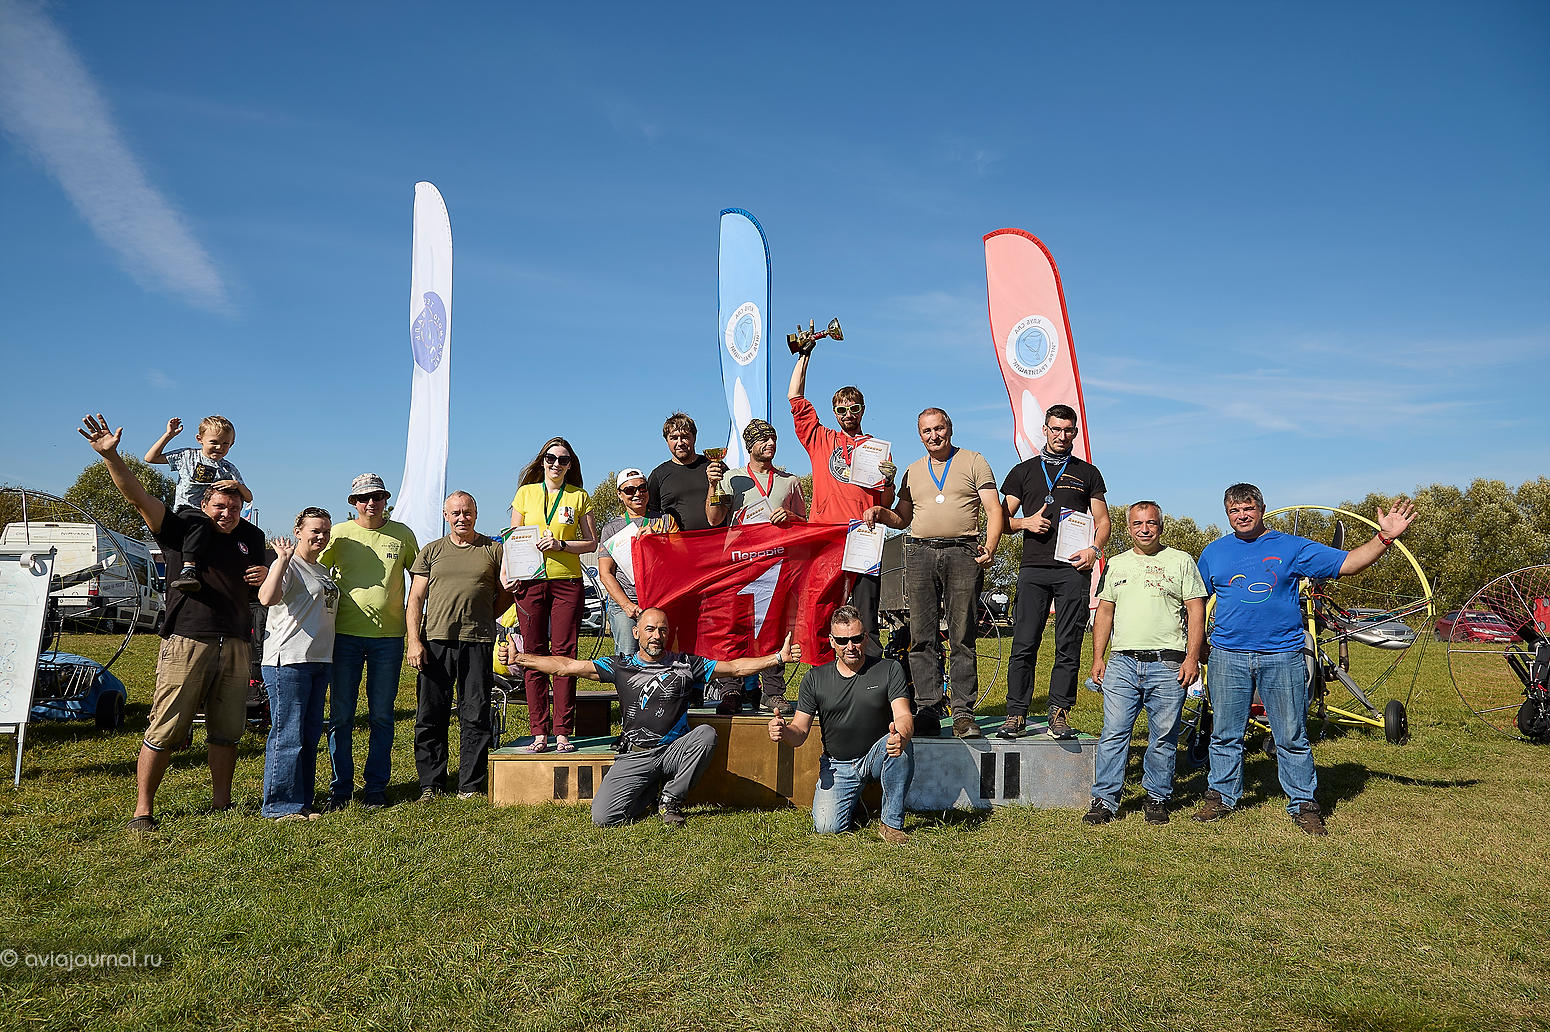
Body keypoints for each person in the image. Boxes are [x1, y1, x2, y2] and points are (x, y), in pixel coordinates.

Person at [78, 414, 268, 833]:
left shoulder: (252, 537)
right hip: (187, 639)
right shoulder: (181, 528)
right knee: (166, 727)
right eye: (220, 506)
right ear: (204, 504)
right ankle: (142, 810)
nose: (228, 513)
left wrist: (266, 573)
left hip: (237, 642)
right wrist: (111, 458)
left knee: (227, 731)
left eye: (235, 507)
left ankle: (222, 803)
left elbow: (264, 584)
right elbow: (138, 497)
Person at [1194, 484, 1417, 835]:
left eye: (1248, 509)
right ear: (1227, 514)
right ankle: (1221, 796)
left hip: (1282, 655)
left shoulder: (1292, 547)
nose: (1242, 516)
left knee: (1291, 736)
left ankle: (1303, 803)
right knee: (1224, 734)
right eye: (1234, 511)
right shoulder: (1214, 552)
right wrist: (1196, 647)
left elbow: (1348, 563)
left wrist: (1384, 538)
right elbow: (1194, 601)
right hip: (1228, 657)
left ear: (1262, 509)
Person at [502, 608, 800, 827]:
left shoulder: (686, 664)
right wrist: (521, 659)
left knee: (706, 735)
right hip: (635, 754)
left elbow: (734, 669)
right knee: (604, 818)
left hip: (673, 751)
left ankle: (671, 798)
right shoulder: (620, 666)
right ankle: (648, 792)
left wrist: (777, 658)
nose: (656, 636)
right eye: (650, 629)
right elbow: (567, 667)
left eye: (662, 630)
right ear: (636, 633)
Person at [862, 408, 1003, 739]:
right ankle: (928, 708)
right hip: (920, 553)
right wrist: (881, 511)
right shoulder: (912, 471)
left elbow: (994, 509)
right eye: (926, 431)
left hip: (963, 551)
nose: (934, 435)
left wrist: (990, 547)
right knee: (921, 636)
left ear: (949, 429)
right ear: (920, 435)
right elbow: (902, 519)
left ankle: (963, 713)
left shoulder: (974, 461)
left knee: (962, 635)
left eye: (939, 428)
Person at [1084, 501, 1205, 825]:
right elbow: (1104, 612)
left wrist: (1192, 658)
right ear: (1129, 528)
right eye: (1138, 524)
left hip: (1168, 664)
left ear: (1161, 527)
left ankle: (1157, 797)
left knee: (1163, 736)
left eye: (1151, 523)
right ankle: (1105, 800)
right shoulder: (1116, 564)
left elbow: (1196, 610)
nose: (1145, 529)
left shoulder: (1181, 561)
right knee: (1113, 733)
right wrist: (1098, 658)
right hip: (1123, 663)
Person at [998, 404, 1111, 741]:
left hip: (1072, 569)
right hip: (1033, 568)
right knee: (1024, 643)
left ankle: (1059, 712)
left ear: (1075, 432)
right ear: (1045, 430)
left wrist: (1094, 550)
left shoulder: (1088, 473)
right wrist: (1026, 523)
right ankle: (1015, 713)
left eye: (1068, 430)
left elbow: (1103, 521)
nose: (1061, 436)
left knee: (1068, 644)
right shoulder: (1023, 471)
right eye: (1055, 429)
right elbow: (1000, 520)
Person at [768, 605, 914, 843]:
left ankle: (891, 824)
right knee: (827, 827)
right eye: (843, 640)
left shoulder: (889, 669)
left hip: (878, 754)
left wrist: (901, 735)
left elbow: (904, 716)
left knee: (901, 747)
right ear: (831, 641)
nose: (850, 646)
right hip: (838, 764)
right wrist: (784, 731)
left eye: (856, 639)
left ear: (866, 638)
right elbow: (799, 732)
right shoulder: (814, 678)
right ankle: (853, 802)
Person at [317, 473, 419, 810]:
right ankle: (341, 789)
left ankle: (376, 787)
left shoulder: (403, 534)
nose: (371, 503)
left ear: (386, 499)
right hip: (343, 636)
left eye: (377, 496)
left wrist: (417, 632)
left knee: (382, 717)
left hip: (388, 639)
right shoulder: (339, 534)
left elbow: (420, 580)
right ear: (354, 503)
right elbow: (312, 569)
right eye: (363, 498)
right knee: (341, 716)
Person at [788, 350, 895, 659]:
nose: (848, 414)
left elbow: (885, 504)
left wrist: (889, 481)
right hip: (826, 537)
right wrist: (804, 357)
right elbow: (795, 397)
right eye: (841, 409)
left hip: (864, 537)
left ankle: (871, 677)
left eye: (854, 408)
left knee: (866, 614)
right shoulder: (820, 438)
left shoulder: (877, 449)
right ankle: (824, 674)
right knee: (822, 609)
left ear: (863, 410)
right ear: (834, 412)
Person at [405, 491, 509, 801]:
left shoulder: (493, 550)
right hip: (436, 641)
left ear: (475, 514)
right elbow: (416, 598)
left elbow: (507, 592)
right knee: (430, 714)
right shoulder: (432, 551)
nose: (462, 518)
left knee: (475, 712)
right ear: (446, 516)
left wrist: (486, 617)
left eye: (467, 512)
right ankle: (431, 784)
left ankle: (470, 785)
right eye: (456, 513)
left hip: (477, 641)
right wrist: (414, 640)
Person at [705, 418, 808, 717]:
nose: (770, 443)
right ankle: (731, 690)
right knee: (734, 627)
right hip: (738, 563)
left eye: (773, 438)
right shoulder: (732, 478)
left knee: (772, 627)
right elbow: (714, 518)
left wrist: (790, 516)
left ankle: (773, 692)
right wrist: (712, 484)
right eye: (763, 439)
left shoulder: (790, 481)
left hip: (775, 564)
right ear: (750, 445)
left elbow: (805, 523)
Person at [508, 438, 598, 754]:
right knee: (532, 653)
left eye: (563, 459)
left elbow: (591, 542)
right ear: (542, 460)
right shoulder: (525, 493)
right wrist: (509, 573)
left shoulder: (579, 496)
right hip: (530, 582)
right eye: (551, 458)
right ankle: (538, 732)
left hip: (566, 582)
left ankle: (562, 731)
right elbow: (513, 538)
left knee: (564, 654)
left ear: (570, 464)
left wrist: (561, 545)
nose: (556, 464)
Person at [258, 508, 339, 821]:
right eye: (315, 530)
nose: (321, 536)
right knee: (288, 734)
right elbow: (267, 597)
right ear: (298, 532)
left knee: (308, 734)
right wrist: (281, 560)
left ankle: (302, 802)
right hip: (288, 661)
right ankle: (279, 806)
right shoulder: (289, 564)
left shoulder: (322, 570)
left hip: (318, 660)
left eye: (325, 531)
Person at [143, 414, 245, 594]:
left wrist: (236, 485)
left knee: (247, 531)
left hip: (213, 515)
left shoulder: (228, 468)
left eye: (225, 444)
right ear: (200, 439)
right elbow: (150, 458)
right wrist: (169, 435)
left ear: (232, 444)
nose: (219, 447)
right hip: (187, 510)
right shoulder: (187, 456)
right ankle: (188, 568)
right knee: (200, 522)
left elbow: (248, 497)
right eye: (214, 442)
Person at [595, 467, 675, 659]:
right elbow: (605, 573)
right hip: (627, 603)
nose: (637, 493)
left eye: (642, 488)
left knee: (663, 655)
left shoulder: (665, 521)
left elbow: (680, 558)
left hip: (660, 601)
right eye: (630, 490)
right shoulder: (611, 528)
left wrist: (660, 538)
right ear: (620, 494)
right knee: (627, 657)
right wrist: (626, 605)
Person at [648, 413, 716, 532]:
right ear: (666, 440)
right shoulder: (657, 475)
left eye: (685, 436)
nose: (680, 443)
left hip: (718, 541)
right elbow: (651, 516)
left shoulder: (714, 467)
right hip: (677, 543)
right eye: (674, 438)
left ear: (694, 437)